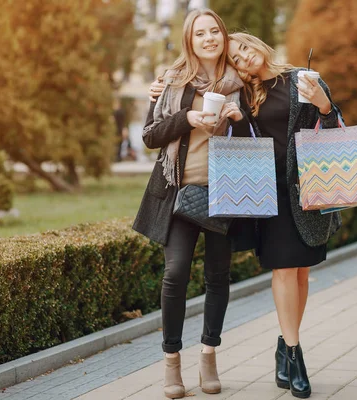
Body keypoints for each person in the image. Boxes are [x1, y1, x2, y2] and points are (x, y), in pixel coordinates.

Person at [148, 32, 342, 399]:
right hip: (268, 194)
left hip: (308, 192)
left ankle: (284, 347)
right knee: (284, 271)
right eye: (236, 57)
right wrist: (230, 116)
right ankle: (297, 356)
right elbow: (237, 140)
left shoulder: (302, 77)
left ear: (259, 45)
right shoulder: (248, 92)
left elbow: (332, 130)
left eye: (246, 49)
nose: (244, 59)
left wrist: (324, 104)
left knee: (300, 273)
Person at [132, 9, 250, 399]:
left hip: (224, 193)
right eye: (200, 33)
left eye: (215, 30)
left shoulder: (241, 84)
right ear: (190, 40)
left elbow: (257, 134)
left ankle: (209, 355)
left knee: (218, 276)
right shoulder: (172, 81)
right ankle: (171, 362)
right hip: (178, 191)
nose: (209, 38)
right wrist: (188, 118)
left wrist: (238, 117)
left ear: (223, 35)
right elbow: (150, 136)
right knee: (176, 273)